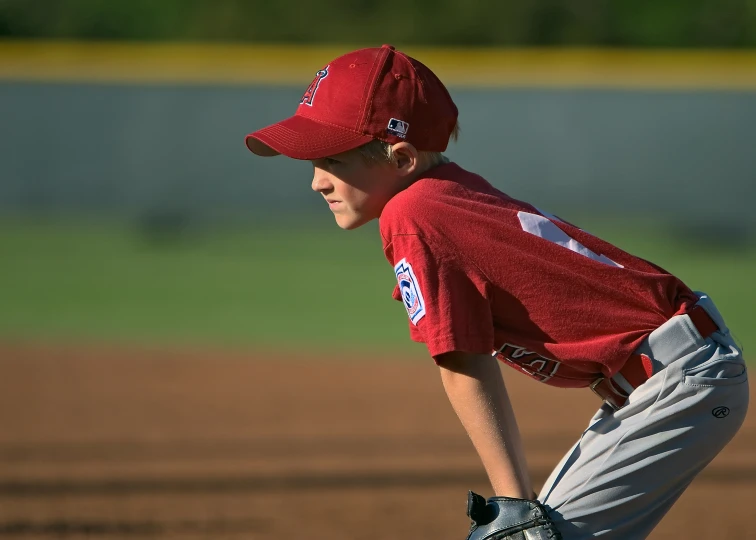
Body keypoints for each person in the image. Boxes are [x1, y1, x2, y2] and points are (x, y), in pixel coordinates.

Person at [244, 44, 749, 539]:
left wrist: (513, 501)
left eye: (332, 162)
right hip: (678, 373)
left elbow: (463, 361)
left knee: (532, 536)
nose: (316, 183)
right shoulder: (446, 194)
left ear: (400, 159)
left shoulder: (412, 214)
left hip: (678, 380)